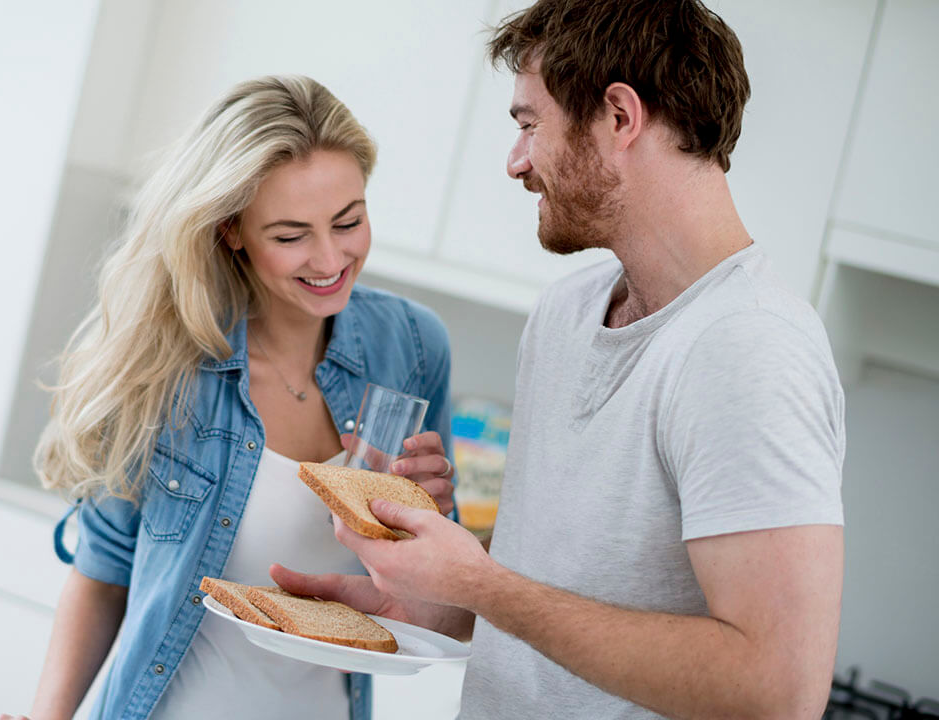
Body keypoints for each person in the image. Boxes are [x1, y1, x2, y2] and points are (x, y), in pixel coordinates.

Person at [272, 2, 845, 718]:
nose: (516, 162)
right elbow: (563, 612)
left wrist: (482, 585)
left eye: (528, 125)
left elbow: (775, 691)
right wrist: (436, 598)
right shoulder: (566, 313)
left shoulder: (747, 347)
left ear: (619, 117)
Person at [0, 75, 455, 720]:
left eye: (349, 220)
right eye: (291, 235)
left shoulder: (413, 346)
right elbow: (102, 575)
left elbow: (440, 612)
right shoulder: (165, 362)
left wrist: (431, 524)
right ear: (232, 229)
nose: (329, 258)